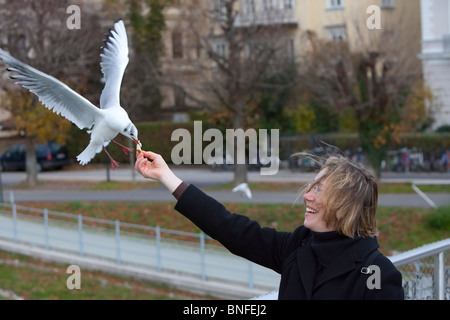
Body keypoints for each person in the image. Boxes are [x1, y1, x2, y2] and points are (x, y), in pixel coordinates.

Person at [135, 150, 404, 300]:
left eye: (320, 190)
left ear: (346, 204)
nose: (307, 195)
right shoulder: (298, 247)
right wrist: (167, 176)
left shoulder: (377, 274)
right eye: (312, 186)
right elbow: (229, 228)